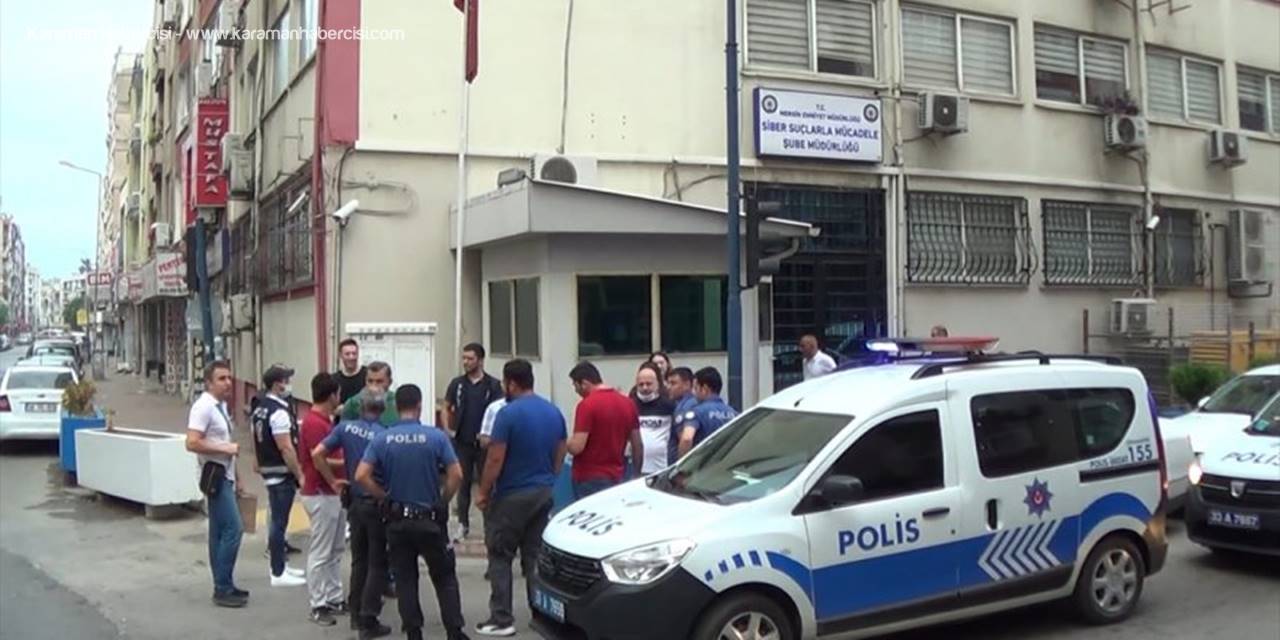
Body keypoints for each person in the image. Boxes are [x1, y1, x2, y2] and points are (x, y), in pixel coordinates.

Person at [355, 385, 468, 640]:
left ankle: (414, 632)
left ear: (396, 408)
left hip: (398, 520)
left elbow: (361, 475)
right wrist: (443, 501)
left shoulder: (383, 439)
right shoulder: (436, 437)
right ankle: (454, 631)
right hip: (430, 519)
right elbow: (457, 475)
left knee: (405, 579)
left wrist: (383, 496)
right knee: (444, 577)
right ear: (419, 405)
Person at [474, 359, 567, 637]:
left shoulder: (507, 414)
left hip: (512, 494)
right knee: (534, 556)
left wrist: (483, 491)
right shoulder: (553, 411)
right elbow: (561, 449)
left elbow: (495, 457)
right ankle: (540, 613)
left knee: (500, 555)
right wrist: (550, 476)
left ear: (511, 384)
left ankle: (501, 618)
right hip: (543, 491)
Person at [313, 392, 394, 639]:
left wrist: (333, 482)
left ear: (360, 408)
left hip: (355, 503)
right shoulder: (384, 435)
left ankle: (356, 613)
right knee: (377, 563)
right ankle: (369, 618)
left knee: (359, 560)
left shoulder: (345, 428)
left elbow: (317, 453)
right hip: (376, 501)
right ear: (382, 411)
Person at [184, 360, 247, 608]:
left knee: (219, 531)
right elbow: (192, 442)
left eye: (229, 378)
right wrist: (225, 448)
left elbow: (226, 444)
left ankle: (225, 583)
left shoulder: (219, 407)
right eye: (222, 379)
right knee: (234, 529)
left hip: (225, 474)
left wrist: (238, 476)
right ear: (209, 383)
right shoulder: (203, 407)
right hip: (214, 475)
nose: (228, 383)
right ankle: (222, 586)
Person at [298, 373, 348, 626]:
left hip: (330, 493)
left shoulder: (322, 420)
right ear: (332, 396)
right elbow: (319, 459)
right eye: (338, 394)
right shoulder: (314, 423)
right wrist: (344, 467)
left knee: (335, 548)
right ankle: (318, 603)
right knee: (321, 551)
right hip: (321, 492)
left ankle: (333, 597)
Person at [251, 364, 307, 587]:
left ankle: (281, 566)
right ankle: (278, 571)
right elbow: (286, 447)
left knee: (278, 519)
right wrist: (299, 473)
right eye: (286, 380)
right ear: (278, 384)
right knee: (279, 523)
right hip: (280, 472)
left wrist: (257, 460)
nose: (289, 384)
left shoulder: (261, 407)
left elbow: (255, 435)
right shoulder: (279, 412)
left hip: (268, 469)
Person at [443, 343, 504, 542]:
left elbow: (500, 410)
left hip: (485, 445)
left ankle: (489, 526)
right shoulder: (458, 384)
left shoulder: (493, 385)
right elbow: (446, 406)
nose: (466, 362)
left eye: (470, 358)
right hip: (463, 442)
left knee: (488, 484)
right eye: (464, 358)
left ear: (480, 360)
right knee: (463, 484)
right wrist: (448, 429)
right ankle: (463, 524)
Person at [568, 361, 643, 499]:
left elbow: (577, 447)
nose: (576, 391)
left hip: (588, 478)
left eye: (575, 385)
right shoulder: (628, 403)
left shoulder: (586, 405)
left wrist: (564, 442)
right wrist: (637, 473)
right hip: (617, 475)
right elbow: (637, 444)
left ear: (584, 383)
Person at [677, 367, 738, 458]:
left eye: (696, 388)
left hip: (703, 462)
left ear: (704, 388)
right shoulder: (734, 413)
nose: (694, 393)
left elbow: (687, 438)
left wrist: (682, 462)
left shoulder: (696, 412)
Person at [632, 363, 676, 473]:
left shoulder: (669, 405)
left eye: (649, 384)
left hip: (662, 468)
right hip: (635, 469)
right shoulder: (630, 406)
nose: (645, 388)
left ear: (657, 384)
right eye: (641, 384)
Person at [342, 361, 398, 426]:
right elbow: (344, 428)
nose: (374, 386)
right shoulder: (353, 403)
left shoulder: (397, 402)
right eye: (370, 381)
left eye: (379, 381)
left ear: (389, 382)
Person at [665, 367, 698, 466]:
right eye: (668, 383)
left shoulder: (684, 407)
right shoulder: (695, 402)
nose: (668, 387)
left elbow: (684, 439)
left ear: (687, 385)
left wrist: (680, 467)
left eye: (673, 383)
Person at [335, 338, 368, 404]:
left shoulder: (368, 374)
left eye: (354, 353)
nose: (351, 357)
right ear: (340, 355)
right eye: (347, 354)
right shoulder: (334, 379)